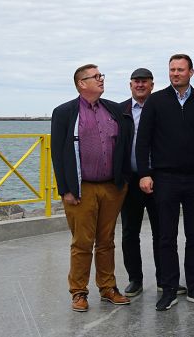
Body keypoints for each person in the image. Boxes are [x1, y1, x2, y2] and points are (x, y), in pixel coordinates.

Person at [135, 54, 194, 311]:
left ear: (191, 72)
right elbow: (143, 141)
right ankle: (169, 288)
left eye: (180, 69)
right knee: (166, 236)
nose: (175, 73)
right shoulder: (156, 101)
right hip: (165, 179)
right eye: (172, 69)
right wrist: (144, 173)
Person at [50, 64, 133, 312]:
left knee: (107, 241)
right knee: (82, 243)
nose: (101, 79)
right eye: (95, 76)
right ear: (81, 83)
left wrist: (124, 179)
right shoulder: (64, 112)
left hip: (112, 188)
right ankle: (78, 292)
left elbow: (126, 141)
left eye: (101, 75)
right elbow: (57, 153)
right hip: (81, 189)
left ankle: (108, 288)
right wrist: (65, 189)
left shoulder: (114, 109)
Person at [118, 68, 176, 298]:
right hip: (130, 179)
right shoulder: (120, 110)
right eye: (136, 81)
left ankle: (164, 279)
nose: (140, 85)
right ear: (130, 85)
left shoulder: (162, 106)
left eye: (145, 82)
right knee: (129, 232)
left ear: (152, 85)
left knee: (162, 231)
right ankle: (135, 279)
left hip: (159, 178)